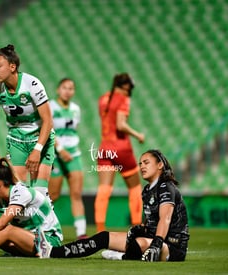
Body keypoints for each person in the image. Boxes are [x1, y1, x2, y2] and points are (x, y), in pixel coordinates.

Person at [36, 149, 190, 262]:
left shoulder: (166, 187)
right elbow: (152, 222)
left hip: (171, 246)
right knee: (103, 237)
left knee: (137, 244)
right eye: (140, 163)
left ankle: (122, 257)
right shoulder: (147, 190)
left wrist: (156, 244)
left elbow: (165, 219)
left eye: (146, 162)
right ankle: (51, 252)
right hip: (153, 239)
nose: (142, 166)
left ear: (160, 165)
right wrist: (141, 229)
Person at [0, 44, 55, 198]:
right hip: (16, 141)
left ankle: (49, 222)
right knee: (20, 193)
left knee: (39, 194)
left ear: (12, 67)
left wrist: (37, 150)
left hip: (41, 140)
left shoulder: (32, 85)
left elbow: (48, 121)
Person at [94, 73, 145, 232]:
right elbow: (121, 125)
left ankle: (100, 229)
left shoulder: (103, 99)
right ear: (126, 86)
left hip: (104, 149)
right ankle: (137, 225)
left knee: (104, 189)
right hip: (121, 149)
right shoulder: (123, 99)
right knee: (135, 189)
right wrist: (138, 135)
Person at [48, 78, 87, 239]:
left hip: (73, 155)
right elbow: (48, 129)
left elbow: (73, 131)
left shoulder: (76, 109)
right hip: (56, 155)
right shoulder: (50, 106)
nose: (67, 91)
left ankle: (81, 232)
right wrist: (59, 148)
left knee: (76, 194)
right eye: (64, 87)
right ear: (58, 89)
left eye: (71, 88)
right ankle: (42, 226)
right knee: (53, 195)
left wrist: (67, 149)